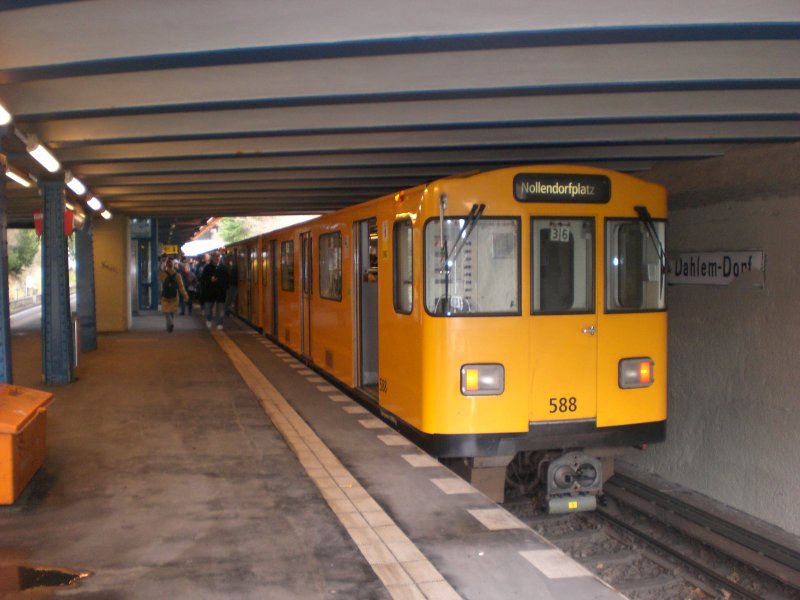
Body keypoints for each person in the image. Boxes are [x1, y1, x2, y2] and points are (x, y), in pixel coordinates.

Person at [200, 252, 229, 330]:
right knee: (208, 307)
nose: (217, 258)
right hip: (209, 291)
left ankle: (219, 323)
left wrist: (224, 286)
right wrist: (210, 279)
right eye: (215, 257)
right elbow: (202, 279)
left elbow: (227, 279)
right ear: (212, 258)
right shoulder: (207, 268)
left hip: (221, 291)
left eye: (218, 256)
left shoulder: (223, 268)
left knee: (220, 308)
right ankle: (209, 319)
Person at [159, 258, 189, 332]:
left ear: (167, 265)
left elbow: (160, 279)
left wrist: (163, 268)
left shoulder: (163, 274)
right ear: (173, 266)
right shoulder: (177, 275)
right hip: (174, 296)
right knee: (171, 311)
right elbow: (181, 287)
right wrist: (185, 295)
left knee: (166, 311)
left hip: (165, 296)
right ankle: (170, 324)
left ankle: (170, 323)